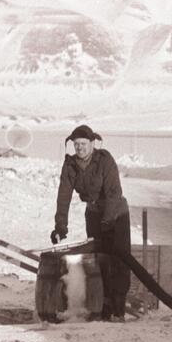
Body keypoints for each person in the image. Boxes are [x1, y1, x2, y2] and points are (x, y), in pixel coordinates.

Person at [52, 124, 132, 321]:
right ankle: (103, 305)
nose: (80, 148)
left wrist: (108, 221)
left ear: (92, 143)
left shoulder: (105, 160)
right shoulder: (70, 165)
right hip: (94, 214)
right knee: (99, 258)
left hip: (116, 214)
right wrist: (60, 227)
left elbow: (114, 193)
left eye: (84, 144)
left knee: (119, 259)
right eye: (76, 144)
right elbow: (63, 197)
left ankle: (118, 308)